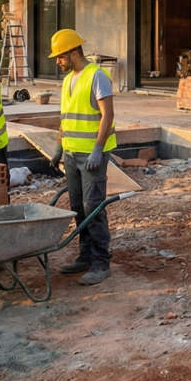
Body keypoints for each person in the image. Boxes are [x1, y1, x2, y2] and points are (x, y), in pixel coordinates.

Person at [48, 29, 115, 286]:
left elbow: (107, 115)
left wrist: (98, 148)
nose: (57, 61)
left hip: (91, 155)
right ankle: (86, 256)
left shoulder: (97, 76)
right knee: (77, 206)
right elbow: (66, 119)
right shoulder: (68, 81)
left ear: (73, 52)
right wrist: (58, 148)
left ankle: (101, 262)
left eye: (60, 56)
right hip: (72, 153)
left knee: (93, 206)